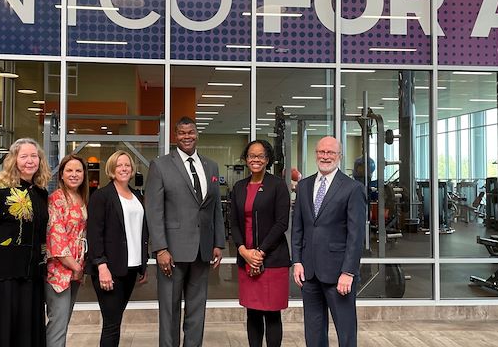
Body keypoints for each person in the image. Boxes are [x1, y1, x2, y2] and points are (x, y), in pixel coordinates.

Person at [144, 116, 225, 347]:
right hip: (172, 252)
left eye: (190, 132)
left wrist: (218, 242)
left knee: (197, 310)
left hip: (202, 250)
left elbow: (215, 207)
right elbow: (154, 210)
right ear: (175, 136)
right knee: (169, 310)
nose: (186, 136)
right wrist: (160, 248)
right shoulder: (160, 165)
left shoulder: (211, 165)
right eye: (181, 133)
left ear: (197, 134)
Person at [0, 138, 52, 347]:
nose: (30, 161)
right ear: (14, 161)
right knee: (2, 321)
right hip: (1, 272)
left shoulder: (41, 193)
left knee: (26, 323)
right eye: (24, 156)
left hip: (31, 270)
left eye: (34, 156)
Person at [291, 136, 366, 347]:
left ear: (339, 156)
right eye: (321, 152)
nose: (325, 156)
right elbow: (298, 228)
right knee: (313, 333)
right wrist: (297, 261)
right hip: (309, 272)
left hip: (338, 275)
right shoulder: (304, 186)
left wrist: (348, 272)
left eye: (330, 152)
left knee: (346, 332)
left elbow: (356, 235)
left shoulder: (352, 188)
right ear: (316, 154)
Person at [229, 140, 291, 347]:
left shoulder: (278, 185)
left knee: (272, 314)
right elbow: (234, 224)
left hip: (272, 259)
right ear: (246, 159)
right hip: (246, 257)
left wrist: (260, 252)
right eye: (251, 156)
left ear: (268, 159)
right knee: (253, 312)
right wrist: (243, 251)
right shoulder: (238, 187)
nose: (255, 159)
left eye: (260, 156)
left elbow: (282, 222)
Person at [87, 151, 149, 347]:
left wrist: (143, 265)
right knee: (112, 324)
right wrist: (101, 265)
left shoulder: (137, 196)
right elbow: (94, 234)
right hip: (109, 269)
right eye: (119, 165)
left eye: (127, 165)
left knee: (116, 320)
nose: (123, 169)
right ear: (111, 170)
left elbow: (140, 231)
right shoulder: (101, 196)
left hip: (130, 267)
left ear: (132, 170)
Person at [45, 154, 89, 347]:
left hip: (76, 269)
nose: (74, 174)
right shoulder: (56, 199)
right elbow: (57, 238)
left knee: (64, 320)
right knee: (58, 323)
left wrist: (80, 268)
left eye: (78, 170)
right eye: (69, 170)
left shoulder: (81, 197)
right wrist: (75, 266)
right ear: (61, 174)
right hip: (59, 271)